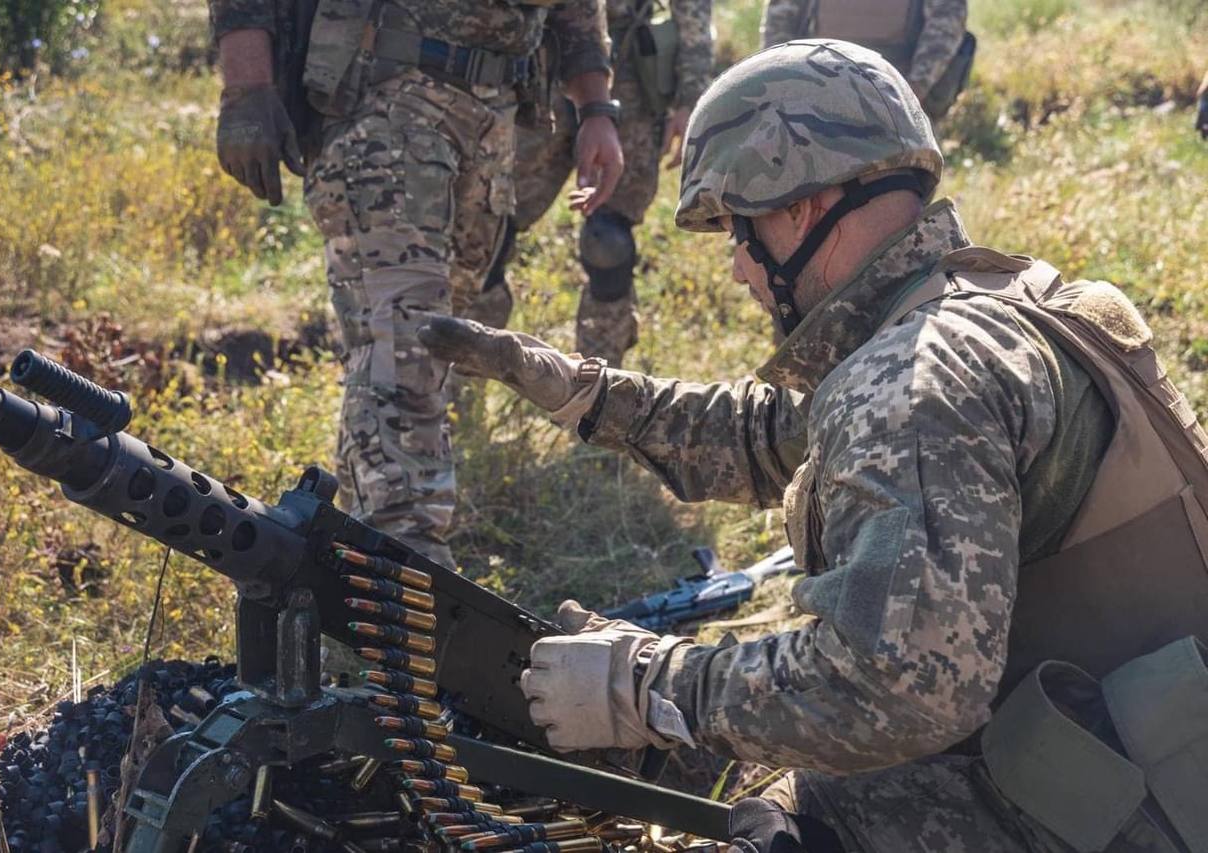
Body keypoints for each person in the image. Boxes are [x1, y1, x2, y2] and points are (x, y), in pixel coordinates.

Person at [418, 40, 1208, 852]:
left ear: (798, 206)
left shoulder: (915, 379)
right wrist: (589, 396)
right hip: (1148, 744)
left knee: (786, 824)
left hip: (1131, 809)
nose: (737, 270)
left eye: (737, 230)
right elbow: (779, 437)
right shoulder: (990, 305)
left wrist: (650, 685)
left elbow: (894, 691)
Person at [208, 0, 624, 569]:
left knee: (428, 345)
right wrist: (246, 86)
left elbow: (578, 10)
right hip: (385, 98)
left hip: (492, 121)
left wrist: (597, 106)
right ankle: (407, 570)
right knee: (405, 339)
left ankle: (356, 571)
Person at [479, 0, 714, 368]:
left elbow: (694, 12)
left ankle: (597, 389)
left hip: (629, 79)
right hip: (540, 67)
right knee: (489, 228)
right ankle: (470, 365)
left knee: (608, 242)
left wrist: (690, 99)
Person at [761, 0, 971, 121]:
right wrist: (784, 83)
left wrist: (914, 90)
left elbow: (946, 23)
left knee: (900, 188)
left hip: (897, 93)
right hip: (815, 88)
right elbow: (780, 21)